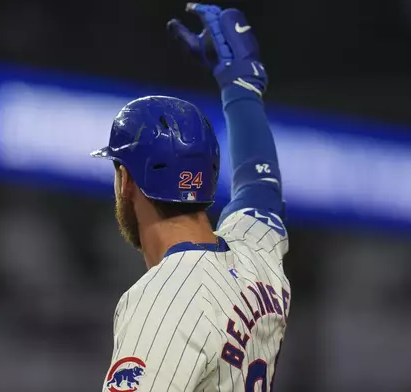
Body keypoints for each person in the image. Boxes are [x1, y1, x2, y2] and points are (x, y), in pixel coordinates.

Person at [92, 3, 290, 391]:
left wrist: (241, 87)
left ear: (125, 180)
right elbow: (260, 186)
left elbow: (260, 187)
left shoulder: (162, 302)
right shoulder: (258, 253)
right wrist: (242, 87)